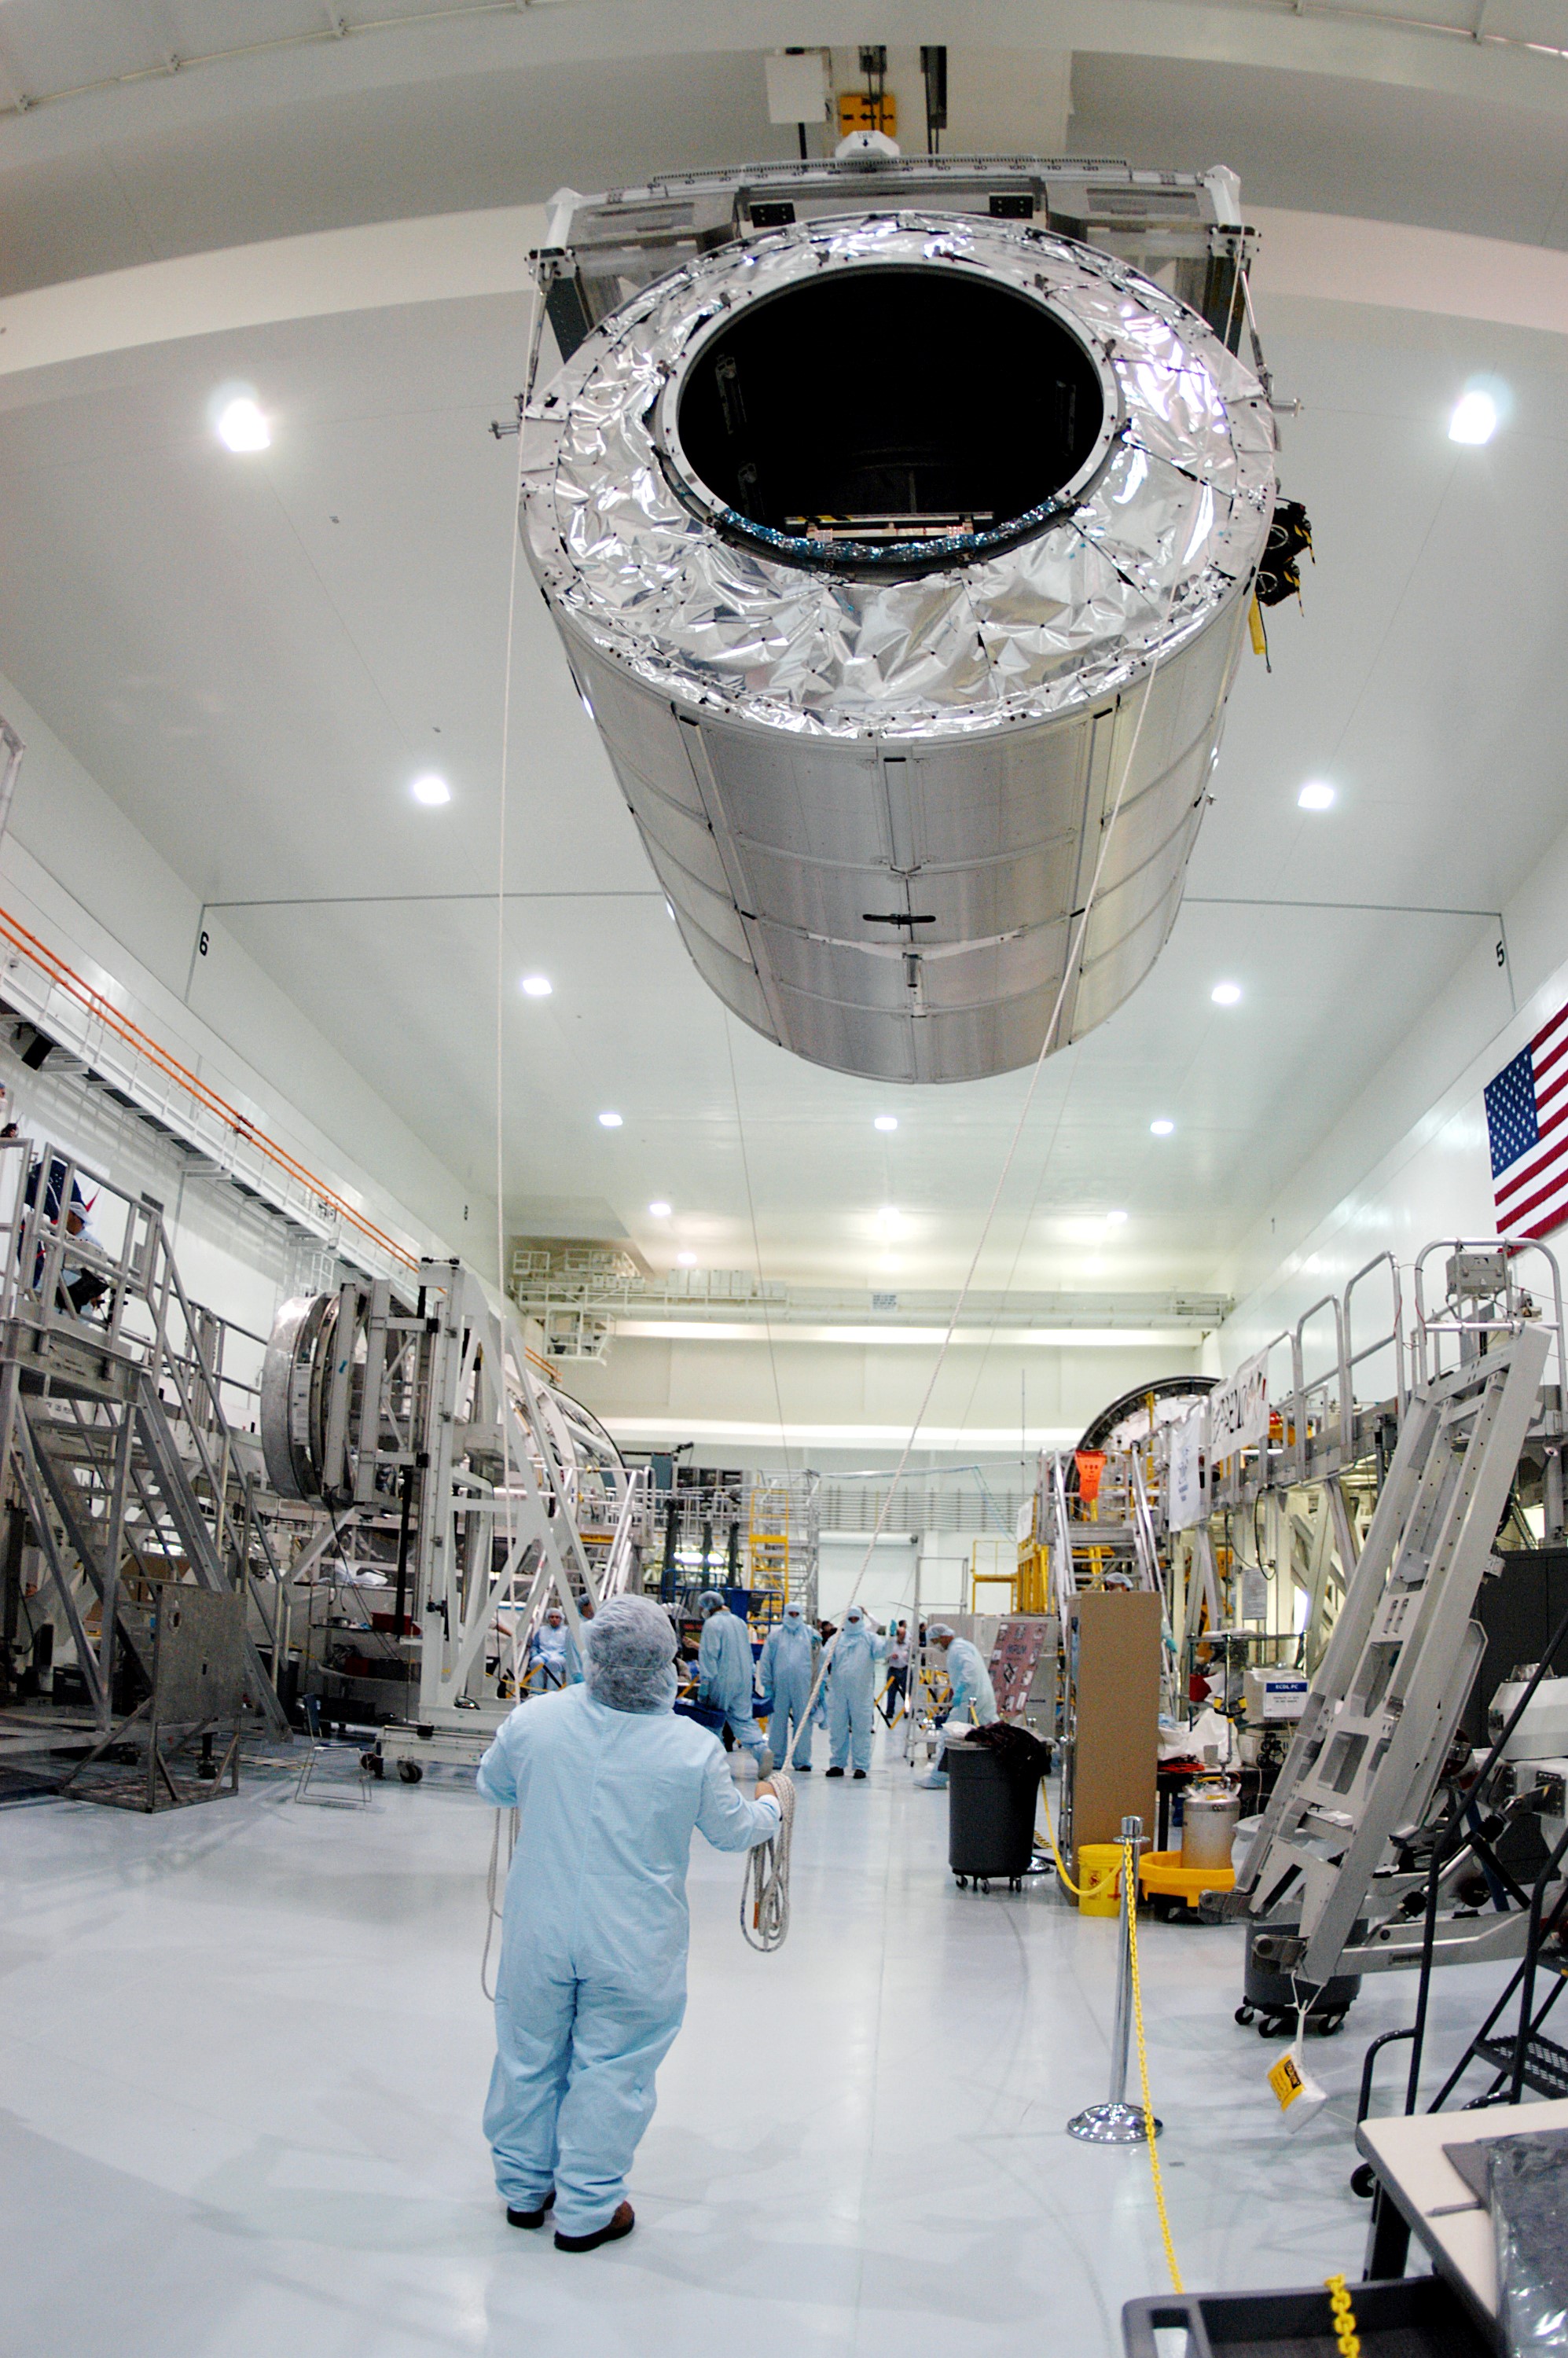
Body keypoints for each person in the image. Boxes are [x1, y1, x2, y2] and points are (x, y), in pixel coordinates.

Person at [478, 1595, 779, 2253]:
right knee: (612, 2069)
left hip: (540, 1927)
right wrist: (773, 1811)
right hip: (632, 1941)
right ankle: (587, 2209)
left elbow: (492, 1787)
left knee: (528, 2055)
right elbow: (732, 1834)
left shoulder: (535, 1721)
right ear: (665, 1664)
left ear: (594, 1654)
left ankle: (525, 2192)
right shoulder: (690, 1748)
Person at [918, 1623, 999, 1788]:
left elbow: (969, 1669)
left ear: (945, 1636)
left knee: (948, 1735)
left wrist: (961, 1690)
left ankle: (938, 1778)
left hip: (969, 1699)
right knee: (995, 1732)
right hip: (983, 1696)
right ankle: (1001, 1767)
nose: (936, 1646)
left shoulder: (958, 1649)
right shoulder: (965, 1645)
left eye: (936, 1641)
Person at [696, 1590, 766, 1767]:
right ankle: (761, 1750)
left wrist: (706, 1682)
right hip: (743, 1680)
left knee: (713, 1721)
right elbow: (748, 1653)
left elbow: (709, 1655)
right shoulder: (739, 1622)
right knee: (743, 1719)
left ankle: (714, 1763)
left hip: (721, 1680)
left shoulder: (712, 1624)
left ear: (708, 1607)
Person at [756, 1600, 820, 1772]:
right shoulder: (776, 1635)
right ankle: (776, 1758)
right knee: (777, 1722)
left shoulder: (811, 1635)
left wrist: (818, 1690)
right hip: (779, 1687)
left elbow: (818, 1663)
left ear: (801, 1615)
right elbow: (766, 1661)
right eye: (790, 1614)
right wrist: (767, 1685)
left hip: (803, 1688)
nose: (793, 1617)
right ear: (785, 1614)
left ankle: (802, 1760)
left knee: (803, 1723)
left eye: (796, 1614)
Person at [825, 1603, 887, 1780]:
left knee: (861, 1729)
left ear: (861, 1619)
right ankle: (837, 1764)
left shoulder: (869, 1638)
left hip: (861, 1693)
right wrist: (816, 1648)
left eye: (856, 1619)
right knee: (837, 1729)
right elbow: (824, 1657)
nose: (853, 1622)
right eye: (850, 1619)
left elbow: (881, 1652)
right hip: (838, 1692)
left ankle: (861, 1766)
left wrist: (891, 1641)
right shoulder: (836, 1639)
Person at [527, 1602, 580, 1691]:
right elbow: (535, 1645)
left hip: (560, 1655)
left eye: (557, 1617)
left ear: (561, 1619)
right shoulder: (542, 1630)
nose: (554, 1619)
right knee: (535, 1662)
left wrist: (566, 1655)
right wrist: (534, 1654)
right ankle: (536, 1691)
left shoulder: (566, 1631)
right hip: (544, 1653)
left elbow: (570, 1647)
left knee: (553, 1663)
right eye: (552, 1617)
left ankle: (552, 1691)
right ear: (548, 1618)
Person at [884, 1620, 910, 1717]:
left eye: (904, 1635)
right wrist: (891, 1656)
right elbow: (885, 1655)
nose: (902, 1637)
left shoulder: (908, 1644)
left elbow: (913, 1655)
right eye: (900, 1635)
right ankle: (890, 1711)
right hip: (893, 1670)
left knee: (907, 1692)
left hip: (904, 1670)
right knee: (891, 1692)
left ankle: (907, 1710)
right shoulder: (891, 1643)